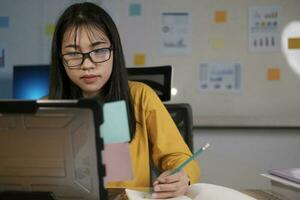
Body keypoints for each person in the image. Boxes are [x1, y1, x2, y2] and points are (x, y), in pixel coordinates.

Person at [49, 2, 200, 199]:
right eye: (73, 53)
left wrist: (182, 176)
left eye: (99, 50)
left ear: (114, 52)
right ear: (60, 58)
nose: (87, 64)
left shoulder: (140, 97)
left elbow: (179, 157)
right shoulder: (46, 108)